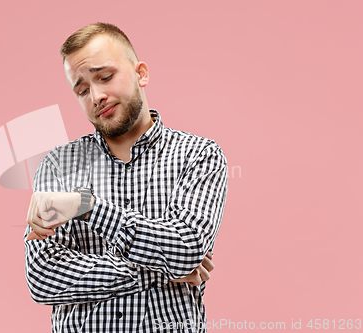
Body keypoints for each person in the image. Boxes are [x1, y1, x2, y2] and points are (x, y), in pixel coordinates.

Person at [24, 22, 228, 332]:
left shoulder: (198, 155)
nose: (96, 96)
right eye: (81, 90)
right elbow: (43, 278)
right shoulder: (57, 165)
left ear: (141, 73)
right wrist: (160, 266)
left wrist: (86, 206)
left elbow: (187, 248)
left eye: (105, 77)